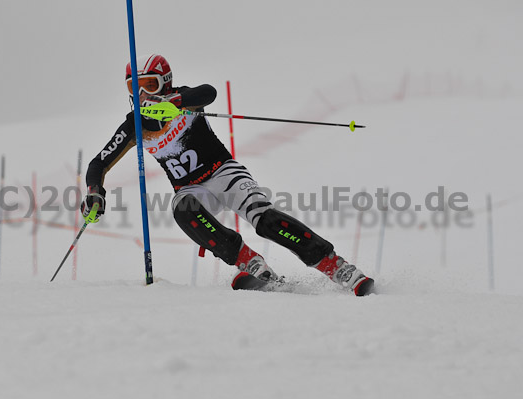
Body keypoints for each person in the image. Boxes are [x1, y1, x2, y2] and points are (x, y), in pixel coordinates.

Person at [81, 54, 374, 296]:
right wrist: (95, 191)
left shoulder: (184, 99)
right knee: (183, 211)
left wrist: (174, 105)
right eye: (135, 88)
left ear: (166, 83)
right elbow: (99, 163)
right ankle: (250, 263)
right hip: (191, 189)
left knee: (266, 220)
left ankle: (334, 265)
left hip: (223, 173)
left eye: (150, 85)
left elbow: (208, 91)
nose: (143, 94)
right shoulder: (134, 124)